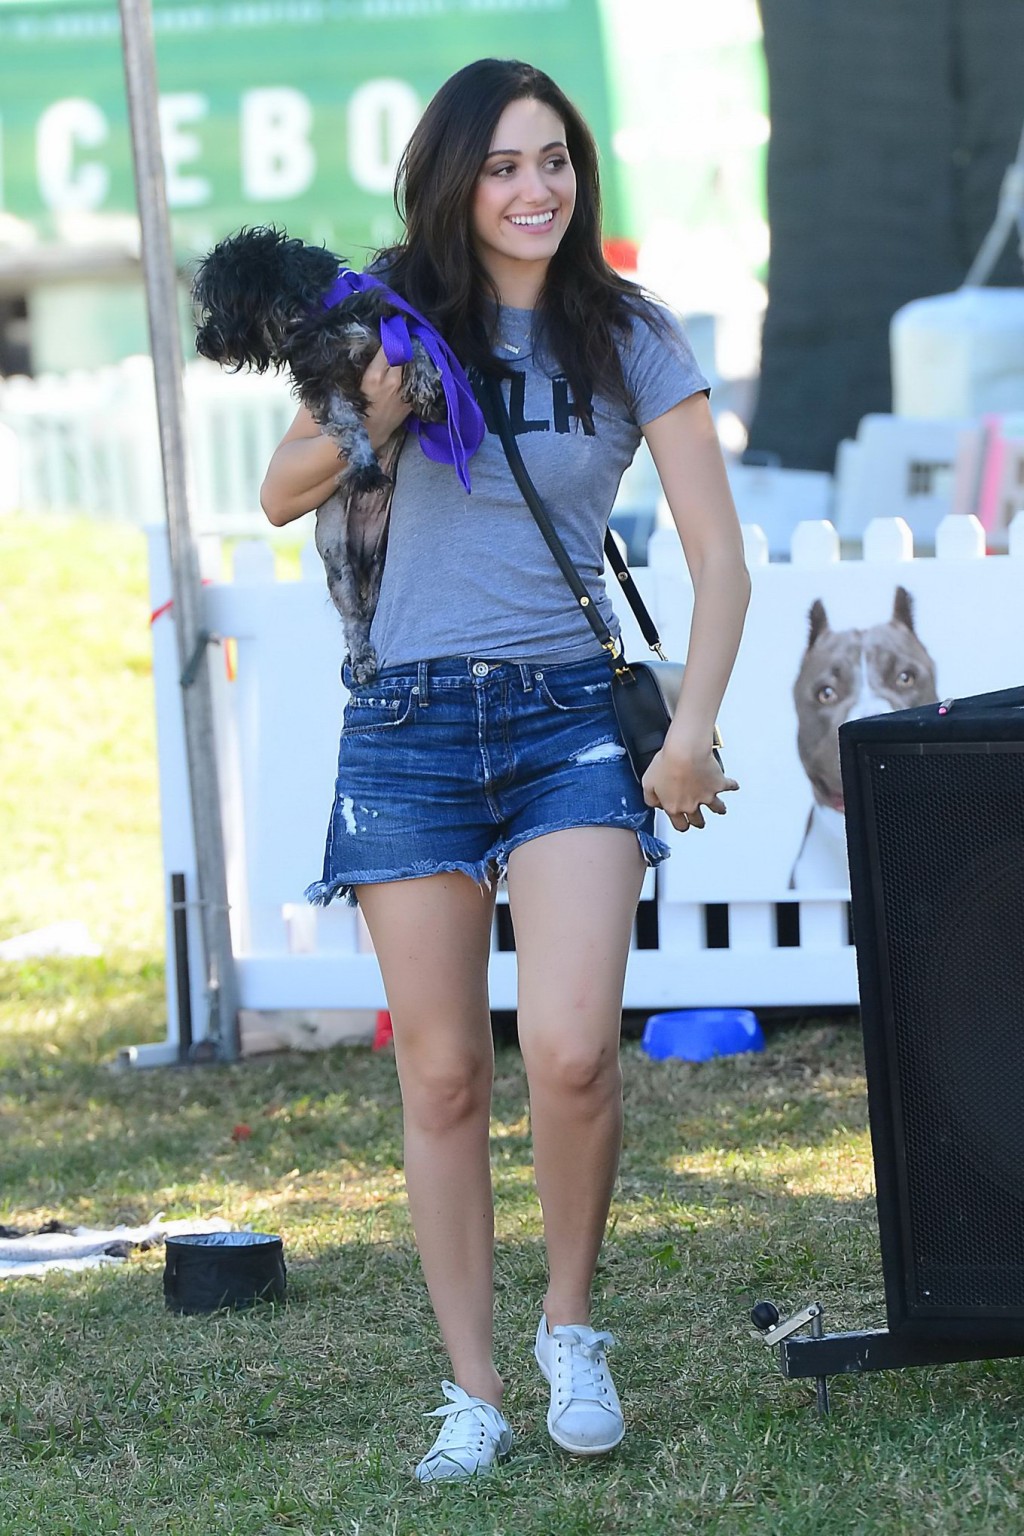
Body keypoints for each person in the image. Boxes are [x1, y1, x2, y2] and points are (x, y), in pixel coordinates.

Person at [260, 57, 750, 1483]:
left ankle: (570, 1329)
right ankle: (472, 1389)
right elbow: (281, 489)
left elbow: (718, 556)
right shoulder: (389, 321)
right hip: (407, 723)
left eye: (555, 162)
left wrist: (693, 729)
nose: (535, 189)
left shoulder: (627, 333)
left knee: (576, 1051)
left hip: (566, 726)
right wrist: (384, 399)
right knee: (443, 1075)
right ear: (455, 180)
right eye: (504, 166)